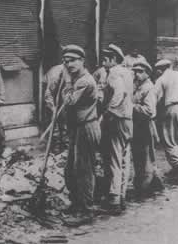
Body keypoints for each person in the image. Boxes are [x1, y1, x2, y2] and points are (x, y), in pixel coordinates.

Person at [61, 44, 101, 226]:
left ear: (82, 61)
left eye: (73, 60)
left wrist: (67, 82)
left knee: (84, 170)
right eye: (66, 61)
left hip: (87, 127)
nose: (69, 64)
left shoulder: (84, 80)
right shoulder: (77, 79)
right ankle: (77, 203)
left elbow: (69, 102)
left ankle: (86, 210)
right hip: (77, 128)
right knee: (70, 169)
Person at [99, 44, 133, 215]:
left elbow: (119, 93)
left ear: (113, 60)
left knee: (114, 160)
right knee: (125, 160)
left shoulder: (113, 73)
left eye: (105, 59)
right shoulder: (128, 72)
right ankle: (122, 197)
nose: (103, 63)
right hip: (128, 119)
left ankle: (114, 201)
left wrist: (109, 111)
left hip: (117, 119)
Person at [132, 60, 164, 196]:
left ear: (147, 73)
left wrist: (132, 106)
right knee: (140, 155)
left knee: (145, 156)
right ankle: (154, 182)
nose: (137, 74)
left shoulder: (149, 88)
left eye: (140, 71)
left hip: (145, 125)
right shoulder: (138, 86)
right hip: (138, 125)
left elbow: (149, 110)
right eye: (135, 71)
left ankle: (144, 187)